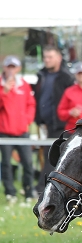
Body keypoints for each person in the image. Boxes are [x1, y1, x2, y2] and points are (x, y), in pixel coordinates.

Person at [0, 55, 36, 199]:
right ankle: (10, 192)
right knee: (7, 163)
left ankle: (28, 191)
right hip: (5, 131)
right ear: (4, 68)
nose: (11, 70)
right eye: (9, 66)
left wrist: (27, 120)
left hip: (22, 131)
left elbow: (31, 104)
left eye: (13, 67)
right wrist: (5, 91)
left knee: (27, 162)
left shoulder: (24, 84)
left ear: (18, 68)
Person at [34, 46, 74, 138]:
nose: (47, 60)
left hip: (61, 125)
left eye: (50, 57)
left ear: (59, 58)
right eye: (45, 57)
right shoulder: (42, 75)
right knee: (46, 151)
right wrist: (39, 119)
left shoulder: (67, 78)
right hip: (45, 124)